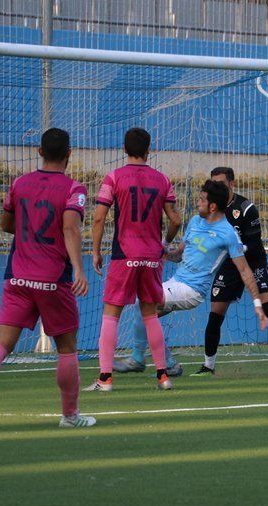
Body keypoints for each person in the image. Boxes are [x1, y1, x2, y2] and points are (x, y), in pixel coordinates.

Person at [0, 128, 94, 430]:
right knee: (67, 346)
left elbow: (6, 222)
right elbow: (70, 228)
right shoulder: (74, 188)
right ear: (69, 154)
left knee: (1, 343)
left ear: (38, 151)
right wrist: (78, 268)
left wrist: (30, 232)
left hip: (18, 277)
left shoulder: (20, 183)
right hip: (53, 279)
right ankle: (70, 416)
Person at [97, 179, 268, 385]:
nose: (198, 202)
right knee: (145, 314)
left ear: (212, 206)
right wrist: (161, 251)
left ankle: (138, 358)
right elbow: (179, 255)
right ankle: (169, 364)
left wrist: (257, 303)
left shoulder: (228, 234)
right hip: (177, 281)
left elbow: (244, 270)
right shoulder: (195, 222)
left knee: (144, 304)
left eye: (202, 199)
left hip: (192, 290)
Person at [190, 167, 268, 377]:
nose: (216, 187)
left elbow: (252, 243)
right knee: (215, 315)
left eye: (220, 183)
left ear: (231, 184)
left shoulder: (246, 208)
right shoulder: (212, 210)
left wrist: (232, 247)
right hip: (231, 265)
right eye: (213, 183)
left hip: (254, 262)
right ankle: (208, 366)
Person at [82, 127, 182, 392]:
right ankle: (163, 377)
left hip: (124, 255)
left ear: (124, 149)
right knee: (150, 315)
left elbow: (99, 217)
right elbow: (176, 219)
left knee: (111, 314)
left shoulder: (114, 177)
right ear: (149, 151)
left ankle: (105, 379)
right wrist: (165, 244)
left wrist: (95, 250)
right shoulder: (162, 179)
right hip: (151, 256)